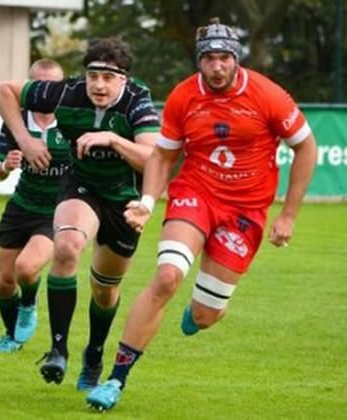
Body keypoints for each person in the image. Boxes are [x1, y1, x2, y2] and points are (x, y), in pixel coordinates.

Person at [85, 18, 317, 411]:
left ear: (235, 59)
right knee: (167, 276)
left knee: (207, 315)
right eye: (209, 58)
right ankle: (115, 380)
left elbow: (306, 148)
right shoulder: (184, 96)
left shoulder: (267, 94)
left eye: (224, 57)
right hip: (197, 193)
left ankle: (200, 312)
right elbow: (163, 156)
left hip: (246, 210)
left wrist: (288, 215)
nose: (217, 66)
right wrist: (147, 202)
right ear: (199, 61)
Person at [0, 38, 160, 388]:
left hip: (125, 200)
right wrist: (24, 140)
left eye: (108, 77)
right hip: (81, 187)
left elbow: (151, 157)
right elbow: (3, 90)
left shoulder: (137, 102)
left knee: (104, 289)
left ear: (123, 80)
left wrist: (111, 139)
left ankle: (94, 354)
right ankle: (58, 351)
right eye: (93, 75)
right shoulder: (66, 92)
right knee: (66, 246)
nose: (99, 84)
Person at [0, 59, 69, 353]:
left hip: (57, 210)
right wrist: (5, 168)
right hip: (21, 206)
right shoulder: (16, 118)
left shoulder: (72, 118)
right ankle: (11, 336)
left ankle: (29, 303)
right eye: (40, 85)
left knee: (26, 268)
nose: (46, 91)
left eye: (54, 85)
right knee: (4, 283)